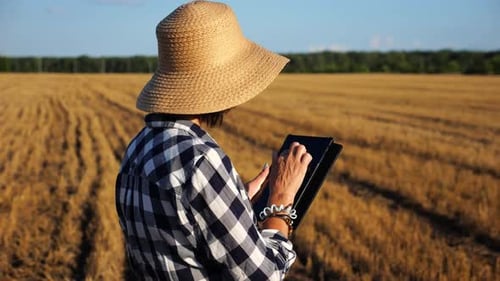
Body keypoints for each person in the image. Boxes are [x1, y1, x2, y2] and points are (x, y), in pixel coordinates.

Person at [115, 1, 312, 280]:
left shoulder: (137, 147)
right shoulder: (200, 161)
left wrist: (234, 201)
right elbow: (264, 275)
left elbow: (181, 233)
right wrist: (280, 202)